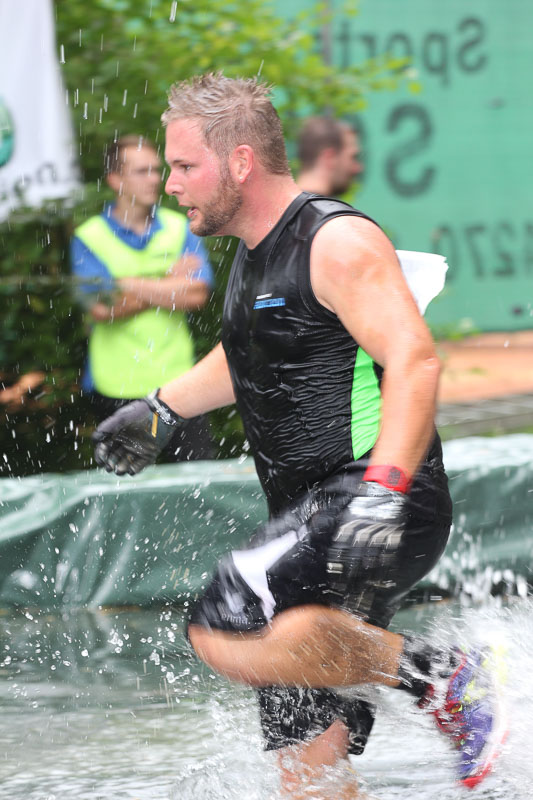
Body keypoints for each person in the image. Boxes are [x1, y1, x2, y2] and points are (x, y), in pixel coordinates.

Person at [92, 75, 506, 798]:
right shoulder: (255, 249)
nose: (172, 184)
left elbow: (415, 360)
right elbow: (254, 351)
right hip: (314, 512)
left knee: (225, 622)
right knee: (308, 772)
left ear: (240, 162)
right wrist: (161, 408)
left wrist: (382, 494)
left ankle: (442, 678)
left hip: (372, 494)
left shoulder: (335, 240)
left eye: (185, 166)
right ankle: (431, 681)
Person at [71, 135, 214, 461]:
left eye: (156, 170)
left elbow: (197, 294)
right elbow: (101, 307)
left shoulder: (181, 226)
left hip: (179, 384)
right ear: (115, 179)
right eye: (142, 171)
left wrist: (127, 284)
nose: (154, 179)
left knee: (198, 483)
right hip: (116, 386)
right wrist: (168, 282)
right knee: (125, 486)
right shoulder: (89, 236)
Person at [296, 116, 363, 197]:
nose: (358, 169)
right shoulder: (323, 205)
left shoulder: (286, 202)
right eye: (353, 157)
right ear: (330, 158)